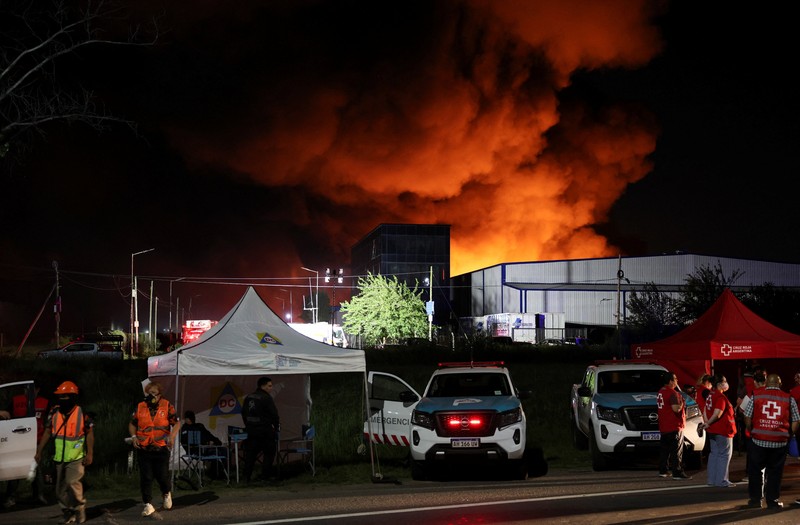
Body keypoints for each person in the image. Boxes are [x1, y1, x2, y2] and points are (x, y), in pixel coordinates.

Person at [35, 381, 93, 525]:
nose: (62, 399)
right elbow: (47, 431)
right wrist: (39, 451)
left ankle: (79, 509)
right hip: (59, 457)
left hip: (76, 457)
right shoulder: (54, 412)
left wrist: (90, 454)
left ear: (73, 397)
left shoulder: (82, 413)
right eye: (60, 396)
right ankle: (68, 512)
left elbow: (90, 433)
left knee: (73, 483)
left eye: (65, 396)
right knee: (59, 491)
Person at [743, 373, 800, 509]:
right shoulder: (788, 398)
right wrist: (789, 434)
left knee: (755, 471)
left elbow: (747, 416)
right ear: (780, 384)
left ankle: (755, 500)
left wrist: (751, 430)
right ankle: (772, 501)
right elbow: (796, 420)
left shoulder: (756, 395)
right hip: (780, 442)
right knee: (775, 472)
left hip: (758, 441)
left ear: (767, 383)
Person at [129, 381, 180, 517]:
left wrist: (172, 436)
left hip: (161, 447)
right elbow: (132, 424)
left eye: (154, 393)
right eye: (149, 393)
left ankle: (166, 493)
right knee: (146, 477)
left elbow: (176, 423)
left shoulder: (167, 405)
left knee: (162, 476)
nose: (151, 396)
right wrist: (134, 437)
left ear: (159, 394)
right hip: (144, 447)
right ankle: (148, 504)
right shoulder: (140, 406)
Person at [3, 383, 49, 508]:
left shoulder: (45, 402)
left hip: (36, 441)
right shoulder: (16, 400)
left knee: (36, 468)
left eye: (30, 389)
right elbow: (5, 412)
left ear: (38, 389)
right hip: (18, 440)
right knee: (16, 468)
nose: (27, 391)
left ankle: (39, 496)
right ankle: (10, 497)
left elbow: (50, 421)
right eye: (25, 388)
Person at [698, 375, 737, 487]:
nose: (726, 383)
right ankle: (722, 480)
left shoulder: (710, 395)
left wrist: (707, 423)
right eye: (724, 381)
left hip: (712, 430)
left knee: (714, 454)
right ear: (719, 384)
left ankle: (712, 480)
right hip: (723, 430)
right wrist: (708, 423)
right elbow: (718, 413)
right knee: (724, 455)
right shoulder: (720, 397)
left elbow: (705, 410)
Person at [241, 377, 280, 483]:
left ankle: (246, 478)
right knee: (269, 453)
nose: (271, 388)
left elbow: (243, 413)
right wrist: (276, 427)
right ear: (262, 386)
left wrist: (248, 425)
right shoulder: (266, 398)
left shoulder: (249, 397)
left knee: (250, 455)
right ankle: (264, 477)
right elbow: (274, 415)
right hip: (265, 431)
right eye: (269, 386)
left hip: (251, 431)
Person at [657, 371, 691, 479]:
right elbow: (676, 409)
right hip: (674, 425)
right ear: (670, 381)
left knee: (664, 451)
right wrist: (681, 403)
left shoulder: (661, 391)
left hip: (664, 426)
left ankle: (663, 470)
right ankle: (677, 472)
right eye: (675, 379)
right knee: (676, 451)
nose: (677, 381)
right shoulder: (673, 393)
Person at [738, 370, 766, 482]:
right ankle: (766, 476)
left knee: (753, 455)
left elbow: (742, 410)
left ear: (755, 382)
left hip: (754, 430)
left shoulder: (752, 394)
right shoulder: (772, 394)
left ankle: (751, 475)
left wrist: (749, 427)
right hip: (769, 430)